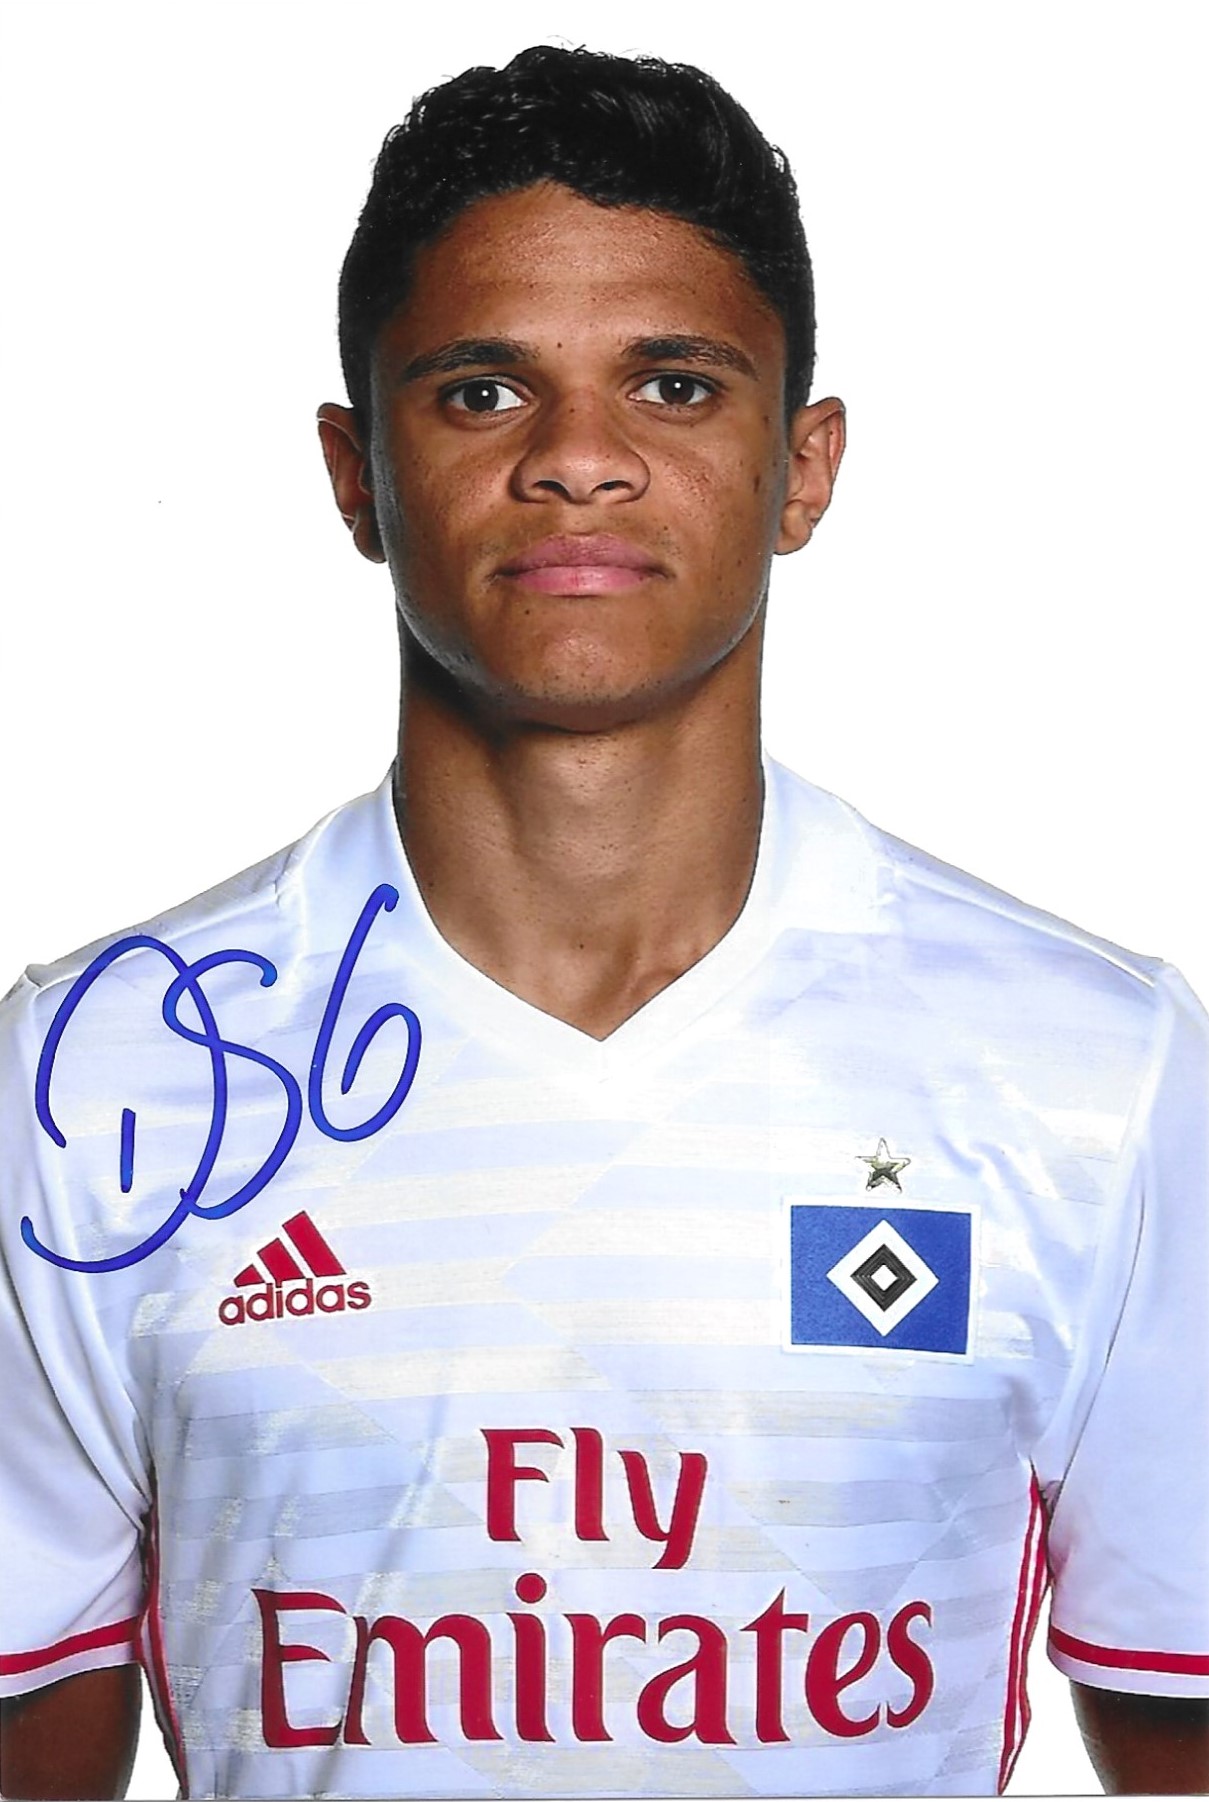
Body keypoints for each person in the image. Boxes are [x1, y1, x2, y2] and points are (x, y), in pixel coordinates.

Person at [1, 42, 1206, 1802]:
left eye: (674, 385)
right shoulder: (96, 1072)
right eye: (483, 391)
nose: (577, 460)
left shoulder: (1096, 1068)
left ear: (802, 467)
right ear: (356, 473)